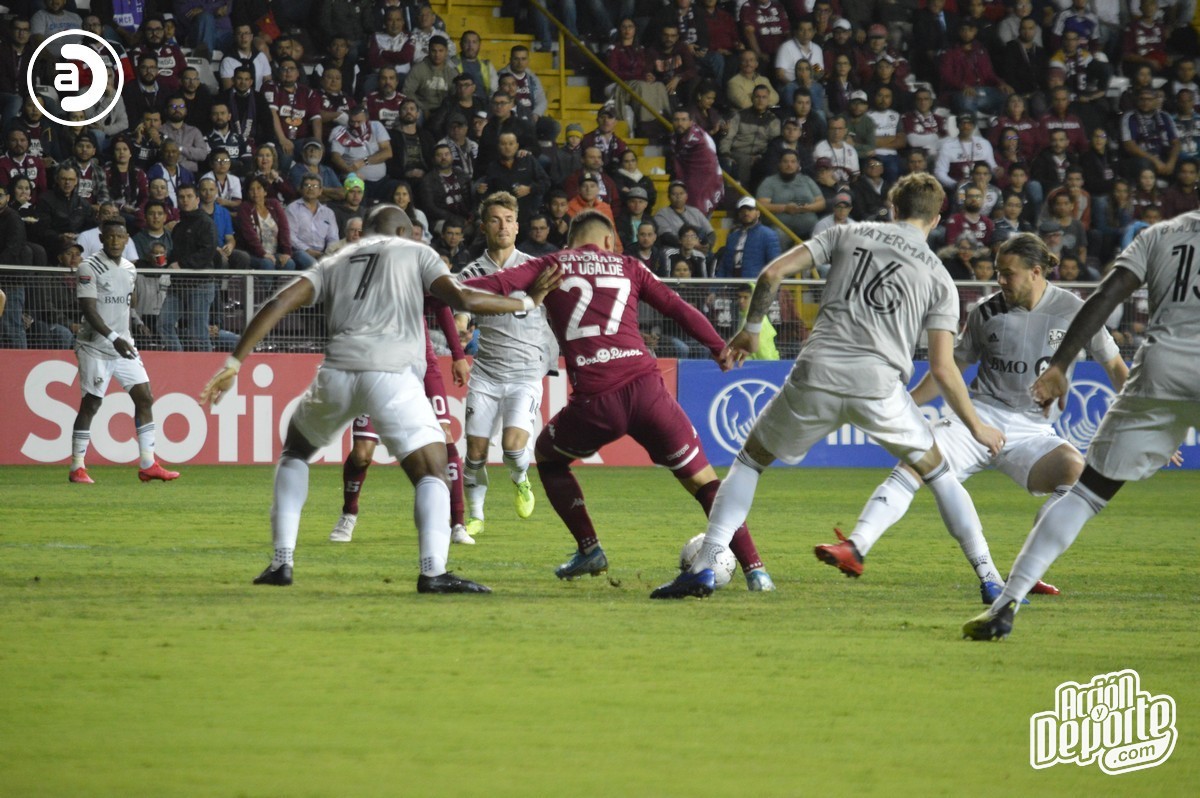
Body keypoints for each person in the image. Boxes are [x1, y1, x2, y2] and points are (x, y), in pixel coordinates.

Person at [650, 173, 1005, 598]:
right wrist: (977, 427)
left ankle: (706, 565)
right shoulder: (941, 279)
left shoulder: (848, 233)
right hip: (879, 385)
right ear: (937, 218)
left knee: (750, 462)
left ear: (893, 207)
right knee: (939, 474)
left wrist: (751, 329)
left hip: (817, 371)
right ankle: (990, 577)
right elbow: (944, 368)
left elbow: (773, 272)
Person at [199, 204, 561, 592]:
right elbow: (464, 300)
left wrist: (234, 363)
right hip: (392, 375)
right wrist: (528, 302)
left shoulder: (335, 260)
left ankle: (281, 562)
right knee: (433, 470)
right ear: (404, 232)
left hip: (337, 373)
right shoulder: (417, 253)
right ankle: (433, 571)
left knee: (296, 451)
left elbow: (278, 303)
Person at [463, 210, 776, 591]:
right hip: (648, 392)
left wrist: (439, 288)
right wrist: (717, 347)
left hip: (597, 402)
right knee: (704, 482)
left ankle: (589, 548)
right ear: (610, 241)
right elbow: (677, 307)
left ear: (570, 242)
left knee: (548, 457)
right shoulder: (630, 266)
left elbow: (492, 284)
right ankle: (757, 572)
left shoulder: (553, 265)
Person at [816, 232, 1128, 602]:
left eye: (1007, 273)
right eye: (997, 272)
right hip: (979, 416)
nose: (999, 281)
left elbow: (1116, 367)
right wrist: (908, 403)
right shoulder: (985, 312)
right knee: (916, 460)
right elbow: (950, 369)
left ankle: (1028, 569)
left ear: (1036, 272)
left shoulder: (1077, 311)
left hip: (1033, 431)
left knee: (1076, 475)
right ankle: (856, 546)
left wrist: (1142, 420)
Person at [963, 208, 1200, 640]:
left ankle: (1005, 604)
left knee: (1084, 494)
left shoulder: (1158, 235)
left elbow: (1105, 297)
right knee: (1075, 484)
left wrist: (1059, 364)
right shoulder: (989, 312)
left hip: (1161, 370)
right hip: (998, 414)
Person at [453, 193, 553, 540]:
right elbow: (461, 311)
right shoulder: (471, 273)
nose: (503, 226)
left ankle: (520, 478)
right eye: (495, 220)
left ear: (517, 226)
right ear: (484, 227)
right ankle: (476, 516)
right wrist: (461, 327)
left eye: (509, 220)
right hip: (487, 374)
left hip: (526, 373)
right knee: (475, 453)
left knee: (512, 448)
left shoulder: (535, 269)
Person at [69, 219, 180, 485]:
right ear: (102, 238)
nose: (115, 241)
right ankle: (77, 466)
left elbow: (126, 306)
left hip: (123, 344)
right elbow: (88, 309)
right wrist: (113, 337)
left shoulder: (130, 268)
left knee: (145, 398)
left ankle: (148, 464)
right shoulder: (89, 266)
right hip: (95, 346)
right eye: (110, 237)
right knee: (91, 403)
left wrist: (129, 332)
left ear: (127, 238)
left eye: (120, 237)